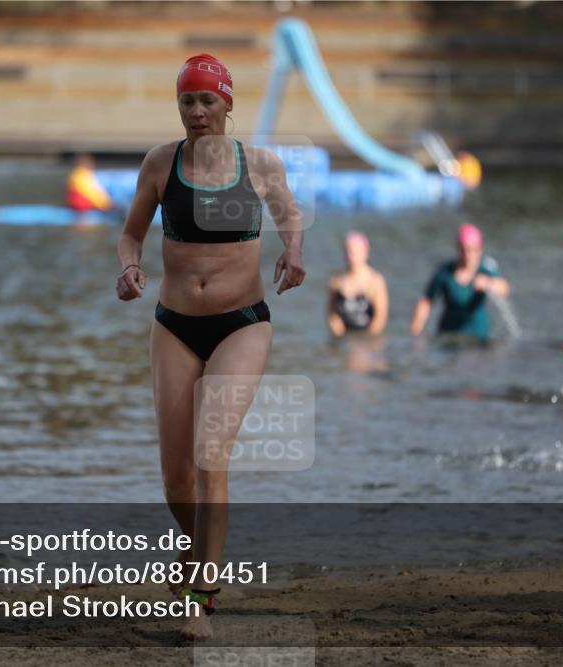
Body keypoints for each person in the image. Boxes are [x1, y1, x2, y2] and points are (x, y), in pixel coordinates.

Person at [115, 53, 305, 639]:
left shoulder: (261, 164)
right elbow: (130, 233)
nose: (196, 112)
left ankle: (200, 592)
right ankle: (196, 553)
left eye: (206, 101)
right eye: (186, 102)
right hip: (174, 323)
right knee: (175, 478)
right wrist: (128, 268)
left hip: (241, 323)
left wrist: (293, 250)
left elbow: (290, 216)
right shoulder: (160, 163)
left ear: (227, 104)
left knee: (210, 451)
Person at [410, 222, 510, 342]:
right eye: (464, 251)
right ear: (458, 249)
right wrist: (415, 333)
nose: (468, 256)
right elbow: (426, 302)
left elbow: (504, 288)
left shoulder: (485, 269)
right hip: (448, 337)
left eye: (473, 250)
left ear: (480, 250)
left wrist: (488, 284)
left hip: (478, 339)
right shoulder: (444, 272)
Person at [327, 231, 388, 336]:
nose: (350, 257)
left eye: (354, 252)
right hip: (344, 337)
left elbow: (381, 317)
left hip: (368, 337)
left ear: (365, 252)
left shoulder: (375, 281)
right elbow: (331, 312)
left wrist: (364, 341)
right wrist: (339, 335)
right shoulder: (336, 280)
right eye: (348, 252)